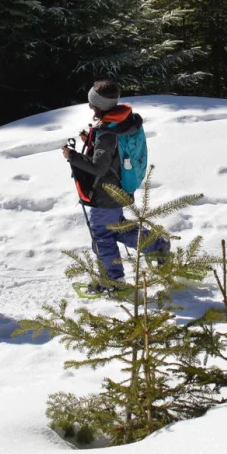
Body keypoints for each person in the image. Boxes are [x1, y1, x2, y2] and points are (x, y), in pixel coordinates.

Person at [61, 80, 169, 294]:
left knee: (102, 235)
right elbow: (112, 154)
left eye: (92, 103)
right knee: (116, 228)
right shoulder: (122, 121)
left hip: (105, 194)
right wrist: (91, 140)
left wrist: (72, 156)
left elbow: (98, 167)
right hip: (119, 188)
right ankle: (156, 245)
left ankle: (113, 281)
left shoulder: (107, 133)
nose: (90, 107)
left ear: (99, 105)